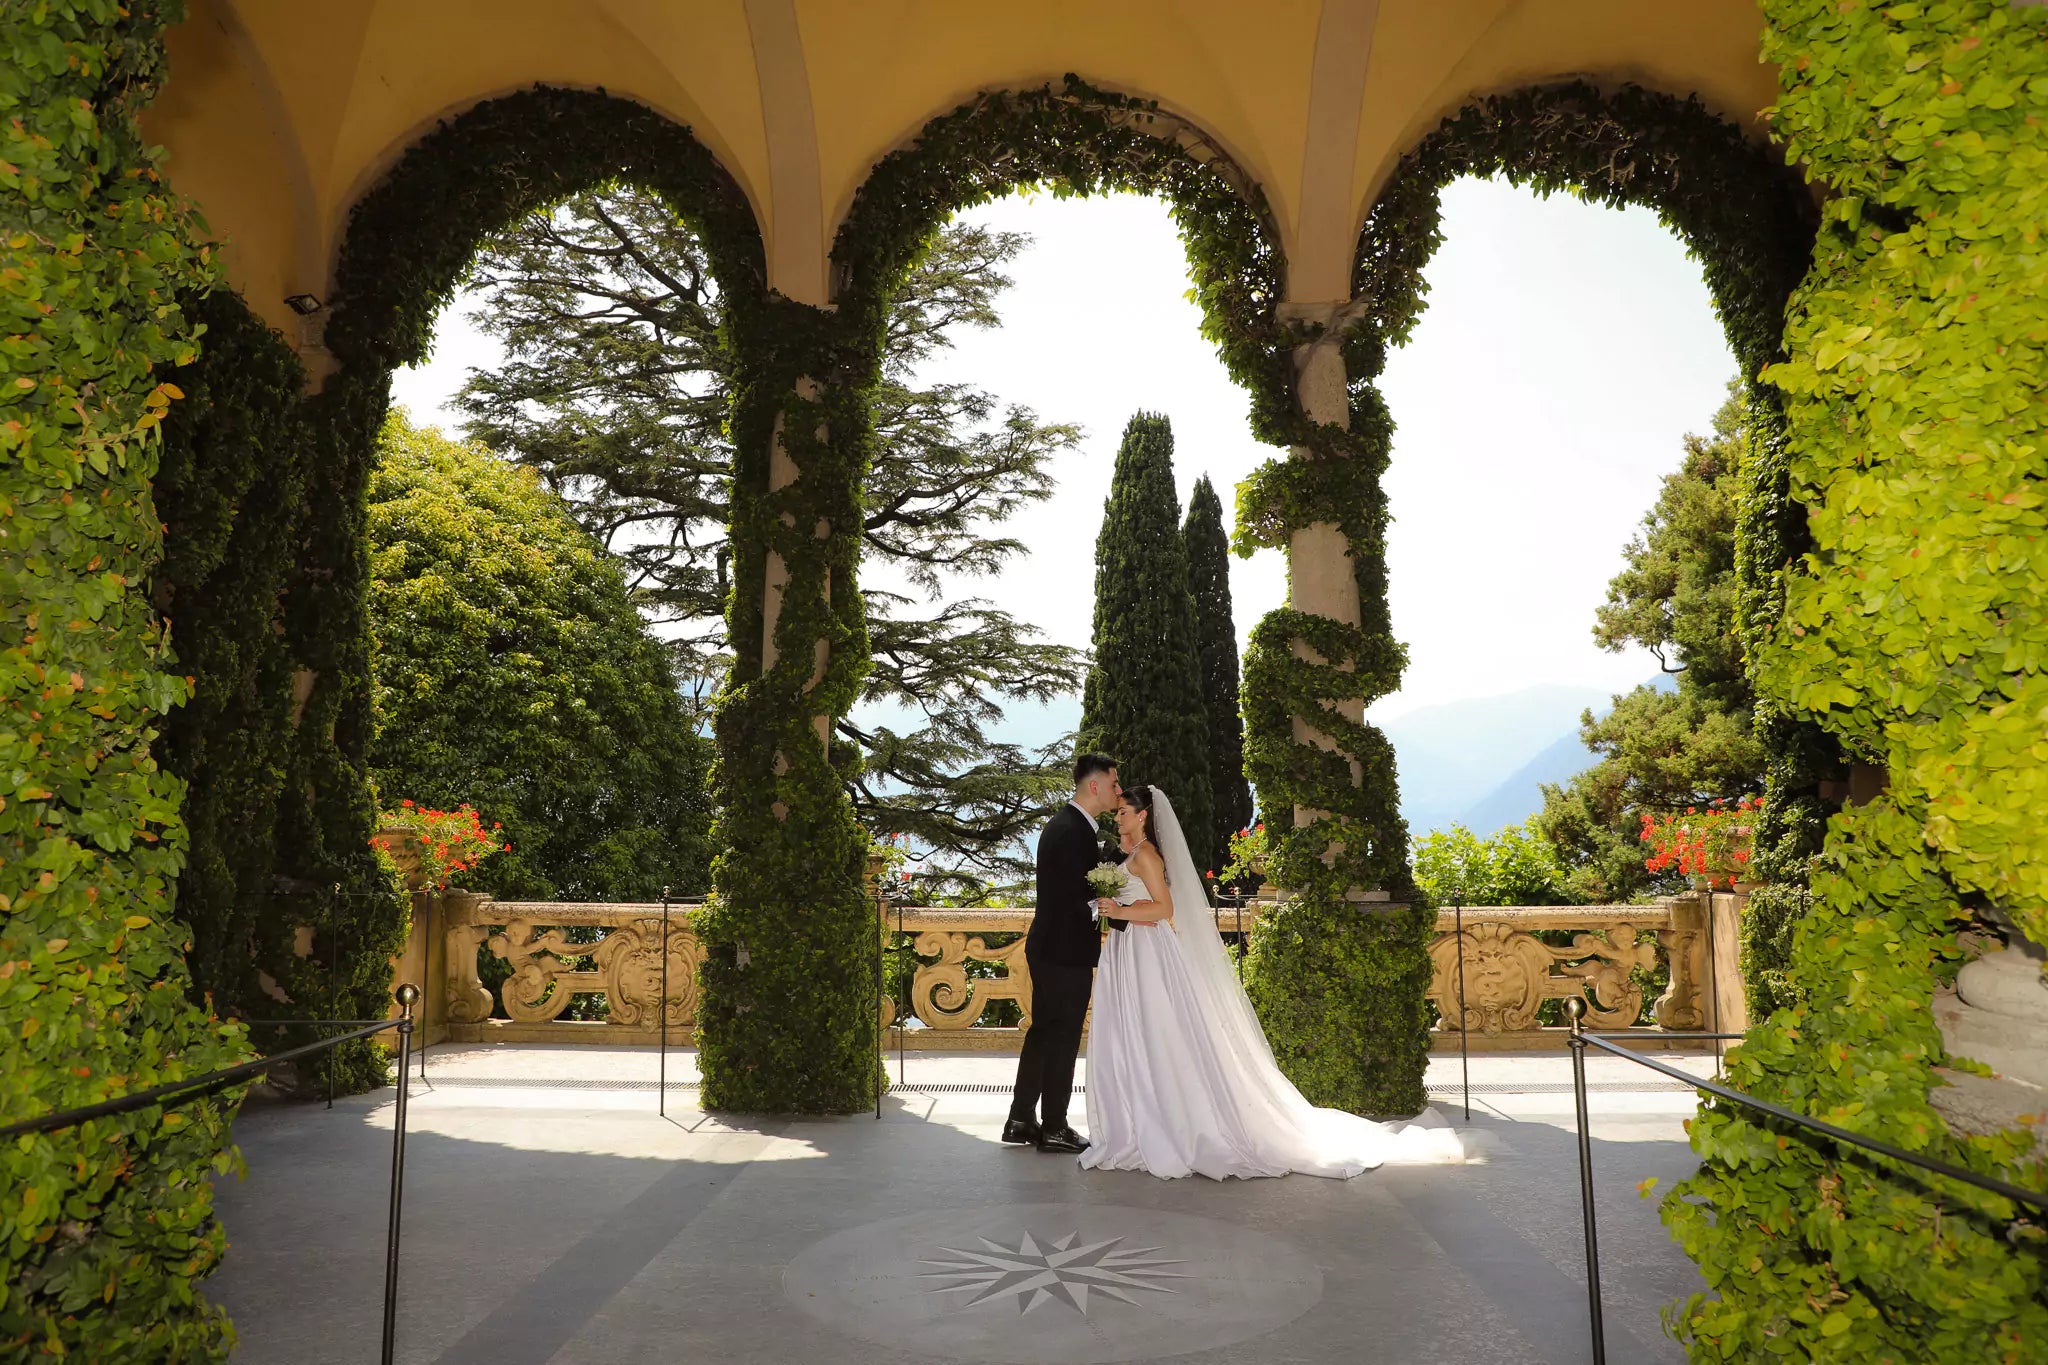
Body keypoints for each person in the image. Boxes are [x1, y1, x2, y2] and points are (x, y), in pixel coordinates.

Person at [1081, 784, 1471, 1179]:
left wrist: (1120, 909)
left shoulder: (1146, 855)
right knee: (1134, 1034)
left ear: (1143, 815)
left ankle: (1167, 1124)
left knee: (1158, 1031)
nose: (1119, 818)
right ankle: (1137, 1119)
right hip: (1126, 949)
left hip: (1147, 951)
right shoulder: (1128, 854)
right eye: (1117, 814)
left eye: (1124, 813)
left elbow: (1166, 908)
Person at [1005, 752, 1122, 1153]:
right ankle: (1054, 1125)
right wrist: (1109, 907)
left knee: (1044, 1032)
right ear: (1095, 786)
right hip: (1063, 950)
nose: (1117, 791)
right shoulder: (1072, 831)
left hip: (1052, 947)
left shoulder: (1068, 826)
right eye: (1113, 783)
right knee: (1063, 1036)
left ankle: (1021, 1119)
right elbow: (1070, 896)